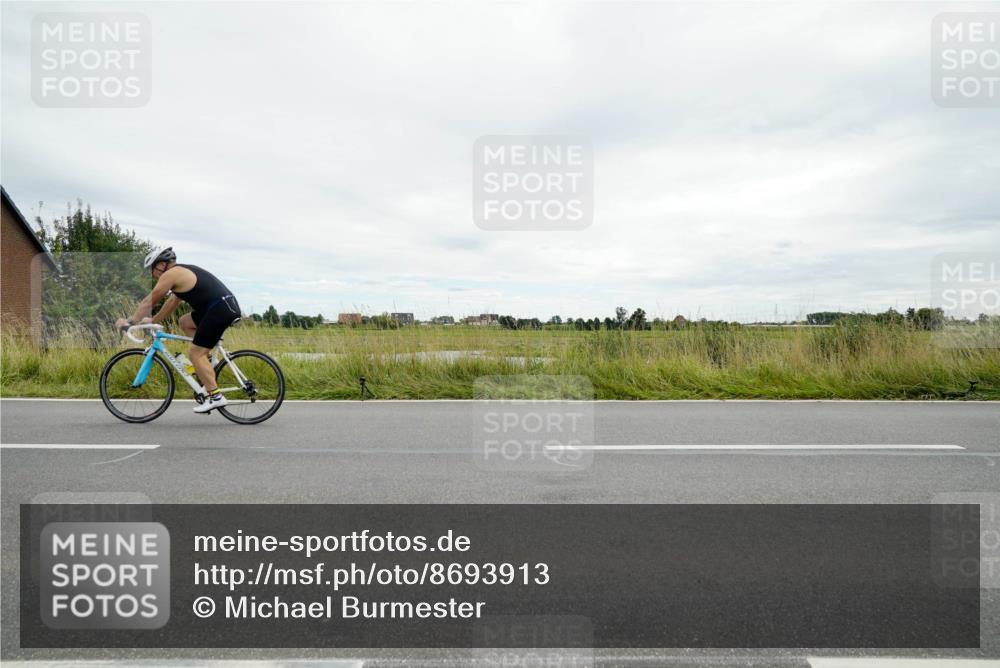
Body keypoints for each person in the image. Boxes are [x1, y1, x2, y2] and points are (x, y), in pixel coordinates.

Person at [115, 247, 241, 413]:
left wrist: (130, 322)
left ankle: (216, 397)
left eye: (152, 270)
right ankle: (208, 361)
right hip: (222, 307)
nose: (152, 275)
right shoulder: (181, 274)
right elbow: (172, 303)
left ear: (161, 265)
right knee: (185, 322)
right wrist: (153, 320)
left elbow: (149, 301)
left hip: (219, 310)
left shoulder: (171, 274)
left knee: (195, 354)